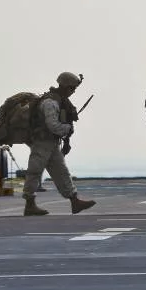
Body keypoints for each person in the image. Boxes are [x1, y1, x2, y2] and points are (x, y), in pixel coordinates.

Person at [22, 72, 96, 216]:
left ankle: (75, 201)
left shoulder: (60, 101)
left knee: (62, 172)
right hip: (42, 142)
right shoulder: (50, 103)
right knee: (35, 172)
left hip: (51, 143)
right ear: (64, 86)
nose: (73, 91)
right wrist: (67, 128)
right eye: (71, 88)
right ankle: (29, 204)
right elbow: (53, 125)